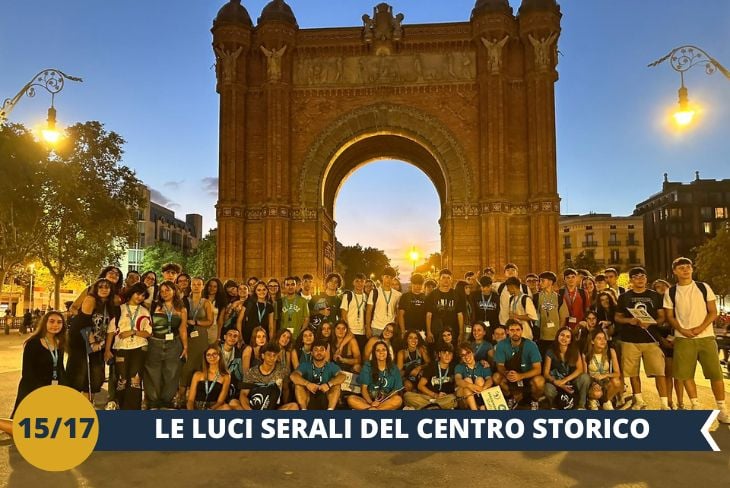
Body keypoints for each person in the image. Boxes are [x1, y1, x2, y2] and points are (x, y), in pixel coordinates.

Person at [664, 257, 730, 422]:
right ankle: (695, 405)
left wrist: (700, 328)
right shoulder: (670, 292)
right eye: (681, 268)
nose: (685, 270)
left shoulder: (703, 287)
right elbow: (669, 316)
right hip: (683, 338)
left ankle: (722, 409)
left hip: (706, 337)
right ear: (675, 272)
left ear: (692, 269)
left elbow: (713, 311)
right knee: (686, 375)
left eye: (688, 267)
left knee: (716, 375)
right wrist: (682, 330)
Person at [615, 266, 668, 410]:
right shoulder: (624, 297)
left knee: (659, 372)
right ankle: (639, 399)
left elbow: (662, 317)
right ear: (631, 280)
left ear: (646, 279)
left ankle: (664, 403)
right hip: (630, 339)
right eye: (636, 277)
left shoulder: (655, 296)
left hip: (651, 339)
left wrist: (651, 322)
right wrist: (629, 321)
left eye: (643, 276)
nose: (640, 279)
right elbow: (618, 317)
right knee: (633, 372)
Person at [67, 278, 119, 401]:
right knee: (78, 375)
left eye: (107, 287)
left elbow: (110, 328)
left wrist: (106, 349)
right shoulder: (91, 300)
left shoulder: (110, 304)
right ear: (95, 289)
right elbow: (84, 323)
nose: (104, 289)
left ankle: (88, 404)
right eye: (100, 287)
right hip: (82, 341)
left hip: (99, 344)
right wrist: (92, 342)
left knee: (95, 377)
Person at [104, 282, 152, 410]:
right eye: (138, 294)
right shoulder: (119, 309)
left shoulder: (144, 311)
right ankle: (121, 404)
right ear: (131, 293)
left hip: (139, 347)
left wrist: (133, 332)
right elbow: (110, 331)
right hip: (121, 348)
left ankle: (134, 408)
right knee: (122, 378)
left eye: (143, 296)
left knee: (135, 379)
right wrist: (107, 350)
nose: (140, 297)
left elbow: (148, 332)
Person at [10, 311, 67, 417]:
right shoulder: (33, 343)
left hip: (53, 388)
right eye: (52, 321)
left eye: (59, 322)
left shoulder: (60, 343)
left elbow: (60, 367)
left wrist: (64, 386)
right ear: (45, 323)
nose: (55, 325)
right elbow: (27, 371)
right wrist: (40, 390)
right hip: (33, 388)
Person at [145, 281, 188, 409]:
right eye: (162, 291)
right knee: (153, 373)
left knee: (172, 373)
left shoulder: (182, 309)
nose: (164, 293)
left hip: (174, 344)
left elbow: (183, 329)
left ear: (174, 291)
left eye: (167, 290)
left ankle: (166, 402)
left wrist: (185, 347)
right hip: (155, 343)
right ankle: (153, 402)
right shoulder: (154, 306)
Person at [494, 319, 545, 409]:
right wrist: (506, 373)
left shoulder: (531, 345)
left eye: (518, 330)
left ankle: (534, 400)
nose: (515, 333)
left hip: (527, 376)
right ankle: (511, 398)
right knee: (496, 377)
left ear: (521, 331)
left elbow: (538, 369)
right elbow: (500, 366)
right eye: (512, 330)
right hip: (510, 375)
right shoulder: (501, 345)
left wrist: (521, 376)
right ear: (507, 332)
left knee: (540, 381)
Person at [653, 278, 684, 409]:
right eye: (657, 287)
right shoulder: (655, 307)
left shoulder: (677, 304)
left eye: (663, 286)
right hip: (662, 342)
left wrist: (677, 337)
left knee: (679, 374)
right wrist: (662, 340)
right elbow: (652, 327)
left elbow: (683, 322)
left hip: (678, 340)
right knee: (666, 373)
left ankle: (681, 401)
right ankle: (669, 401)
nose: (661, 289)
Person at [543, 326, 591, 409]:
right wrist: (557, 382)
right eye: (562, 335)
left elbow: (580, 369)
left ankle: (581, 406)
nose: (564, 338)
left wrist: (564, 380)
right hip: (556, 381)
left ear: (570, 340)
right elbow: (546, 373)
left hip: (571, 380)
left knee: (585, 378)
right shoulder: (550, 351)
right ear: (558, 336)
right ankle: (553, 406)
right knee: (548, 389)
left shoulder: (575, 350)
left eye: (568, 337)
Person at [240, 343, 299, 410]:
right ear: (263, 356)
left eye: (274, 355)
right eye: (269, 355)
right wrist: (249, 410)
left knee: (294, 406)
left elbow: (286, 390)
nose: (272, 358)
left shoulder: (282, 371)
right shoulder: (252, 372)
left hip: (273, 407)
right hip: (254, 407)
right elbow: (243, 394)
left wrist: (284, 403)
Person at [290, 340, 346, 410]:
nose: (319, 352)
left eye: (322, 350)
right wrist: (307, 384)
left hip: (326, 396)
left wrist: (329, 384)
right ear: (312, 353)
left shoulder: (331, 365)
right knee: (298, 385)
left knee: (337, 385)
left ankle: (330, 410)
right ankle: (303, 410)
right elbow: (293, 376)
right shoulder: (305, 365)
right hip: (308, 397)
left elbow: (342, 376)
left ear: (326, 352)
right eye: (316, 350)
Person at [348, 340, 403, 410]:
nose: (381, 352)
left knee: (398, 400)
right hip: (369, 401)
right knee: (351, 399)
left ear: (388, 352)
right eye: (378, 350)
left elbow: (395, 392)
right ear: (374, 353)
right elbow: (363, 389)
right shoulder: (368, 365)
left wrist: (382, 402)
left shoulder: (394, 368)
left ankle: (372, 410)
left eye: (384, 350)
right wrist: (371, 403)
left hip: (384, 402)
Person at [403, 342, 458, 410]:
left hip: (444, 398)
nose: (447, 356)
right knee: (407, 396)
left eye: (449, 353)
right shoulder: (431, 366)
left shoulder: (455, 367)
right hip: (429, 397)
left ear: (452, 356)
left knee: (453, 398)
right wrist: (435, 395)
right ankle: (435, 407)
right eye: (444, 353)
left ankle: (428, 407)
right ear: (439, 354)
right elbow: (420, 386)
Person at [584, 329, 623, 410]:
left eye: (604, 338)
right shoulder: (586, 354)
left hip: (605, 380)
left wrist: (605, 375)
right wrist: (593, 383)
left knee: (617, 382)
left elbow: (617, 373)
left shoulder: (610, 351)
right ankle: (592, 400)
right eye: (599, 338)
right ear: (592, 341)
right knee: (597, 393)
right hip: (592, 381)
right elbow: (584, 375)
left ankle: (605, 401)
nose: (603, 341)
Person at [425, 268, 465, 344]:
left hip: (452, 331)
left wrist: (461, 333)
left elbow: (460, 315)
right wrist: (429, 331)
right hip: (436, 331)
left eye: (448, 278)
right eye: (443, 277)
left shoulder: (457, 295)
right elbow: (428, 315)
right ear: (439, 279)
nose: (446, 280)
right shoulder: (432, 295)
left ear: (451, 280)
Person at [187, 345, 231, 410]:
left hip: (214, 407)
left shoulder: (226, 376)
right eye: (208, 355)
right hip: (197, 407)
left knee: (226, 408)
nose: (211, 357)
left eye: (214, 354)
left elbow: (220, 401)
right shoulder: (197, 375)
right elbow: (190, 400)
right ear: (205, 357)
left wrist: (210, 409)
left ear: (220, 356)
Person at [455, 342, 493, 410]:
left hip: (479, 395)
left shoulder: (483, 365)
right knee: (467, 381)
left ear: (473, 353)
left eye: (468, 353)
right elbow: (458, 380)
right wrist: (471, 386)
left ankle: (479, 406)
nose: (466, 357)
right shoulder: (459, 367)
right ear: (461, 357)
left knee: (480, 380)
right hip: (463, 399)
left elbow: (489, 380)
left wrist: (483, 388)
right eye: (463, 355)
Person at [340, 273, 373, 351]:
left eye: (362, 281)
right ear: (353, 282)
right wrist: (347, 330)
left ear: (364, 283)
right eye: (357, 281)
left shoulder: (366, 297)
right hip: (350, 332)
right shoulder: (348, 295)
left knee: (360, 356)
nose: (359, 283)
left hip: (362, 333)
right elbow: (343, 315)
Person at [368, 267, 401, 338]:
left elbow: (398, 313)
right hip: (376, 327)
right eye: (387, 277)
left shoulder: (398, 294)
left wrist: (396, 327)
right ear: (382, 277)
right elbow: (369, 311)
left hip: (390, 329)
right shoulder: (374, 292)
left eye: (391, 278)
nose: (388, 280)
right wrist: (367, 328)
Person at [534, 271, 560, 356]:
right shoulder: (536, 297)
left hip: (555, 335)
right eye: (539, 281)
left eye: (542, 280)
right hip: (541, 335)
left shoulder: (559, 297)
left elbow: (563, 316)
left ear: (550, 282)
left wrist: (560, 333)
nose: (540, 283)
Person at [505, 277, 538, 341]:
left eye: (508, 288)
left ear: (512, 287)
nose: (507, 290)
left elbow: (533, 317)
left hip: (525, 334)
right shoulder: (511, 299)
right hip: (514, 334)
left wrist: (516, 316)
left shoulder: (526, 299)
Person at [398, 273, 428, 338]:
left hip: (422, 331)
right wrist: (403, 331)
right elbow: (401, 315)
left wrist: (428, 331)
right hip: (407, 330)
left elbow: (428, 316)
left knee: (421, 348)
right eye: (415, 284)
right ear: (411, 284)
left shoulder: (426, 298)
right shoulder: (405, 296)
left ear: (422, 285)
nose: (417, 286)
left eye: (420, 284)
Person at [471, 275, 500, 342]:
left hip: (492, 326)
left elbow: (498, 312)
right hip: (478, 326)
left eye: (487, 287)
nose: (485, 289)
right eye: (483, 287)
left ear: (491, 286)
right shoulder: (475, 295)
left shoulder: (496, 297)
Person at [203, 277, 228, 344]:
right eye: (210, 286)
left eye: (215, 287)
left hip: (214, 328)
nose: (212, 288)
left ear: (218, 288)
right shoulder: (202, 299)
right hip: (201, 328)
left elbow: (220, 321)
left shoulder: (221, 302)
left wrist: (218, 337)